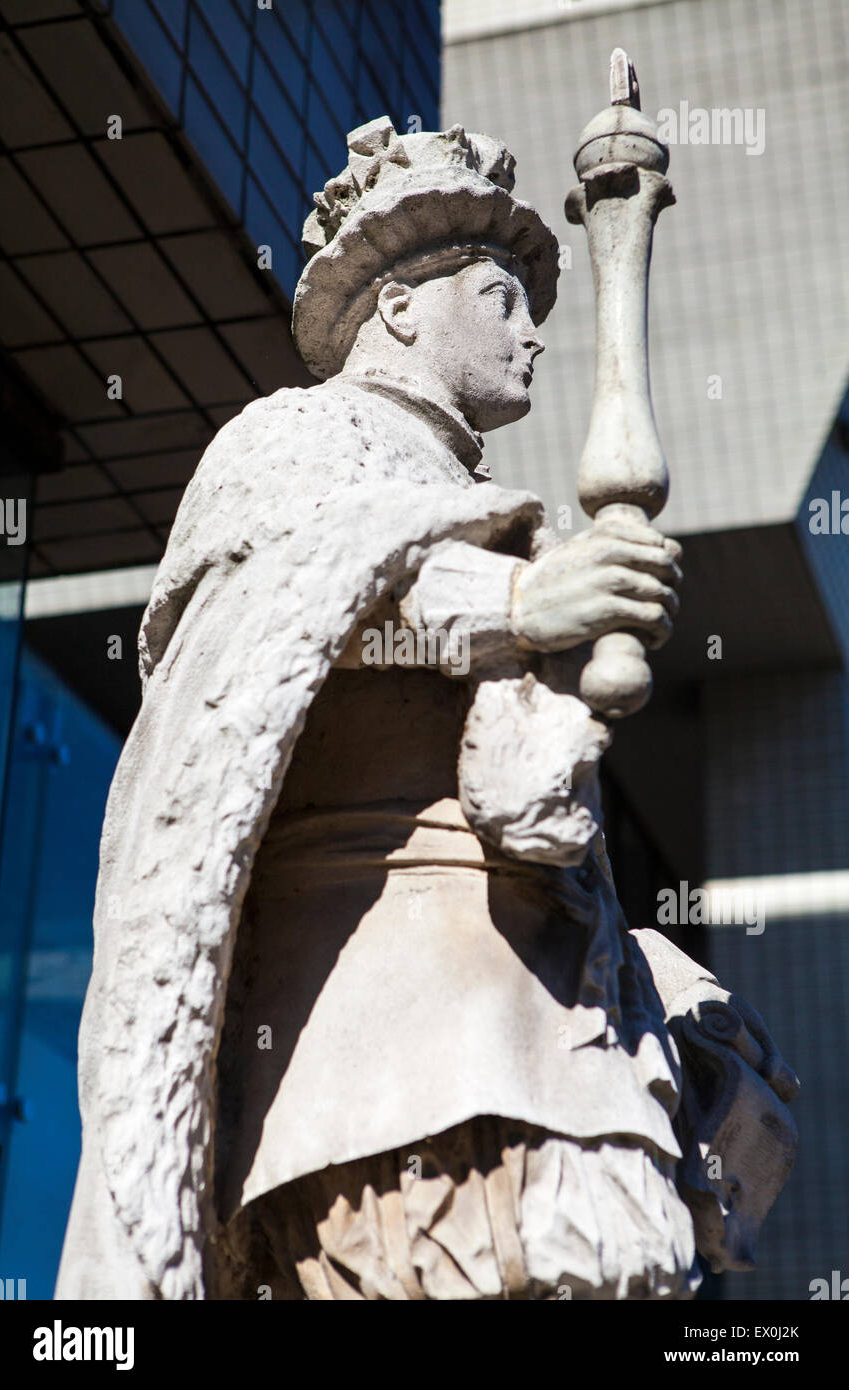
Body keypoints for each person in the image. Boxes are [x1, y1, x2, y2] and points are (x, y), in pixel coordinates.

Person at [56, 119, 797, 1302]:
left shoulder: (483, 501)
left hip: (533, 1002)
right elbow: (283, 604)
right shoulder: (294, 439)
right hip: (385, 1019)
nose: (533, 331)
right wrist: (517, 595)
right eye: (502, 297)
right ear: (400, 304)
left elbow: (526, 801)